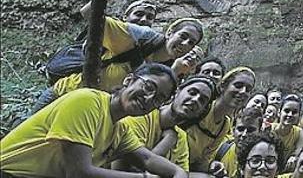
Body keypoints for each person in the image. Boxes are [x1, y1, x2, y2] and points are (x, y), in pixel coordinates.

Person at [1, 63, 186, 177]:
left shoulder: (119, 129)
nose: (148, 98)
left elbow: (147, 158)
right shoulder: (88, 102)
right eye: (147, 87)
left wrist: (178, 173)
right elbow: (79, 173)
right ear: (129, 80)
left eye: (158, 98)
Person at [34, 17, 204, 113]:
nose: (185, 43)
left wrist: (176, 71)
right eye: (183, 36)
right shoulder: (137, 40)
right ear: (170, 32)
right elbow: (91, 15)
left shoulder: (170, 69)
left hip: (90, 111)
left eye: (191, 42)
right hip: (64, 93)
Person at [114, 75, 217, 170]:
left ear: (201, 112)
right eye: (192, 92)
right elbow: (130, 167)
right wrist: (168, 141)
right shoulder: (141, 115)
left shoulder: (181, 137)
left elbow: (182, 173)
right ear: (178, 91)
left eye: (202, 100)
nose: (195, 100)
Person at [187, 66, 257, 173]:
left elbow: (201, 161)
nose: (243, 91)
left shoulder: (224, 126)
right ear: (223, 86)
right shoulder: (201, 107)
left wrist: (212, 166)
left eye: (248, 89)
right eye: (238, 85)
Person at [215, 106, 263, 178]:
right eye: (240, 129)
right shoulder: (220, 149)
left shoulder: (264, 162)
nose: (244, 134)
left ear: (260, 132)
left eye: (250, 130)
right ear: (233, 130)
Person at [273, 94, 303, 163]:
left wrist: (293, 157)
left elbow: (297, 152)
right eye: (287, 111)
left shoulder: (299, 132)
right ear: (279, 112)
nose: (290, 115)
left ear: (299, 115)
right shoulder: (269, 128)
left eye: (294, 112)